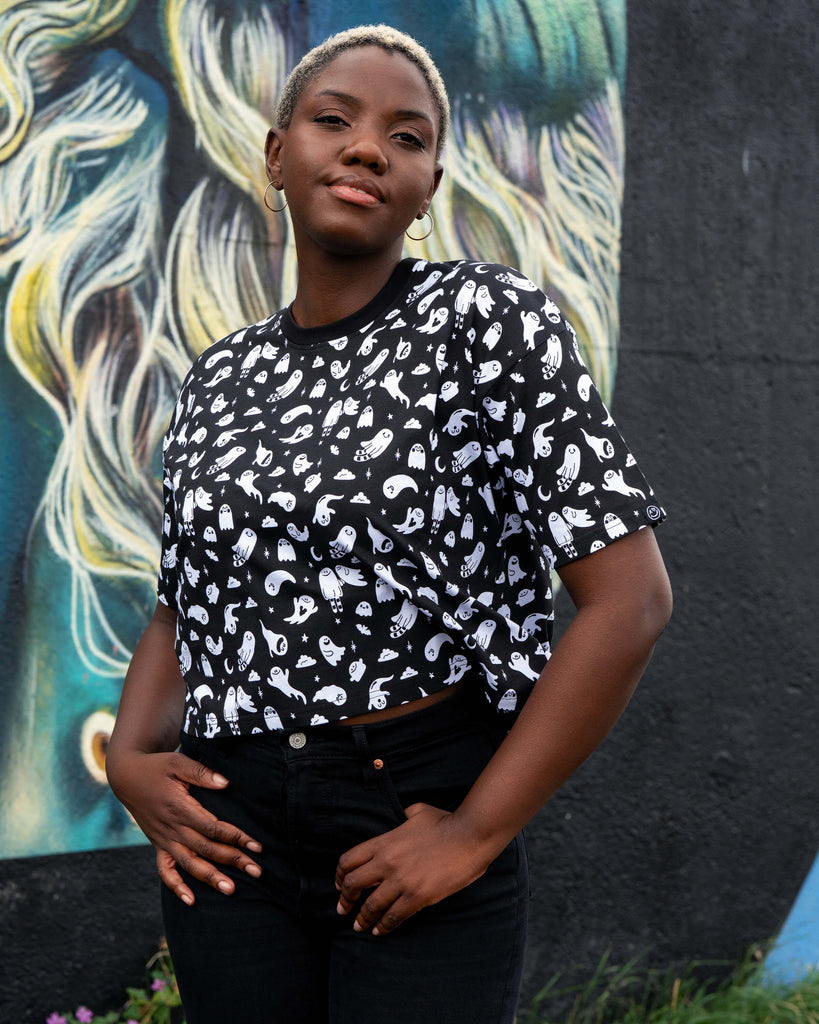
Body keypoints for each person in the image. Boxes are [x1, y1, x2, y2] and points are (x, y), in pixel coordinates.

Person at [106, 24, 672, 1024]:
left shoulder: (487, 321)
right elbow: (185, 601)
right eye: (334, 120)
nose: (369, 148)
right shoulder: (222, 376)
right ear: (277, 155)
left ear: (431, 183)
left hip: (409, 804)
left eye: (407, 138)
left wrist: (474, 832)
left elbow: (628, 602)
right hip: (233, 830)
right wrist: (130, 759)